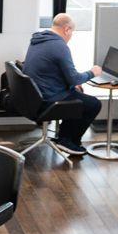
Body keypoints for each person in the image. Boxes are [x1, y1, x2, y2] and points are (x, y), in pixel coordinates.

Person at [21, 12, 101, 155]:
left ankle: (65, 138)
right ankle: (68, 141)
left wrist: (71, 84)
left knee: (77, 93)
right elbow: (75, 78)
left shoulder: (39, 39)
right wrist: (92, 72)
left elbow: (51, 71)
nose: (71, 37)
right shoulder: (59, 46)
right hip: (48, 98)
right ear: (67, 29)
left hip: (35, 94)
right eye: (72, 33)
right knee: (93, 104)